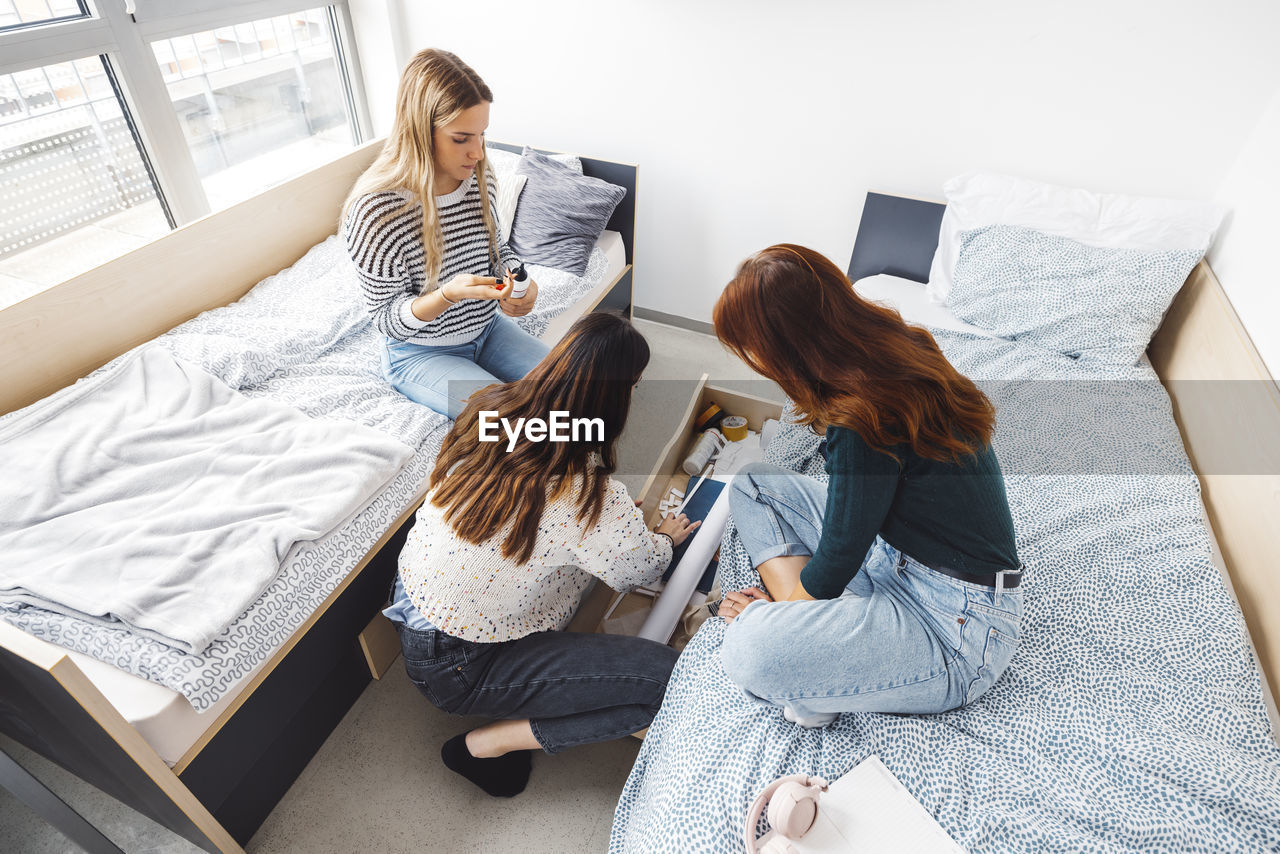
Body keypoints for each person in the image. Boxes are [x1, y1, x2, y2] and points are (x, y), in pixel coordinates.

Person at [382, 312, 700, 796]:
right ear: (622, 392)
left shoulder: (489, 411)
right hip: (459, 667)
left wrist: (602, 525)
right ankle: (485, 745)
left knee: (573, 554)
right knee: (667, 682)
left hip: (414, 603)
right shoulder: (587, 492)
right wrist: (664, 538)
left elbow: (534, 518)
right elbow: (642, 568)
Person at [711, 244, 1023, 727]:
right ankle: (816, 632)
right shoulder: (900, 343)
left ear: (786, 348)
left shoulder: (861, 417)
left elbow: (838, 555)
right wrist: (799, 605)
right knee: (753, 483)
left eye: (755, 349)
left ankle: (809, 663)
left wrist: (778, 615)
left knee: (746, 650)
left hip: (955, 628)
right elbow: (851, 534)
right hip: (895, 554)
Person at [342, 48, 548, 419]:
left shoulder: (477, 177)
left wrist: (520, 283)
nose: (478, 152)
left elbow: (498, 249)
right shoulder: (376, 211)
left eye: (483, 134)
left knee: (573, 388)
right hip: (420, 353)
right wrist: (446, 296)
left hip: (487, 329)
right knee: (512, 423)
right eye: (461, 138)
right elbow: (387, 319)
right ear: (421, 131)